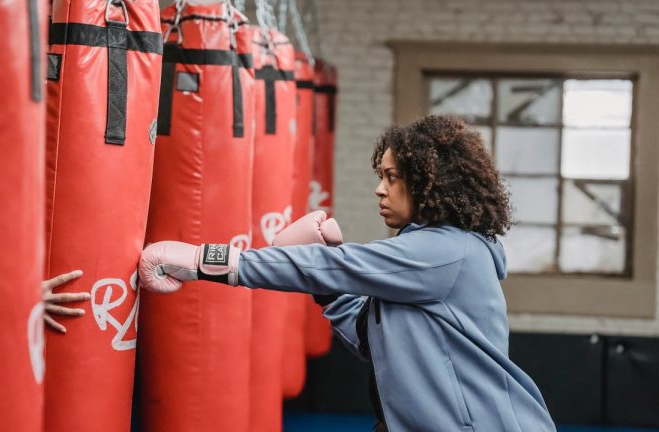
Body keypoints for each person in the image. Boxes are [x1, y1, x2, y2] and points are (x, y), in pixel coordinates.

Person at [139, 115, 556, 431]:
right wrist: (329, 293)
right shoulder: (422, 256)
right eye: (381, 176)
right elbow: (372, 340)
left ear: (434, 184)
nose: (380, 188)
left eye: (392, 178)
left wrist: (202, 260)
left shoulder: (446, 251)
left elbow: (332, 266)